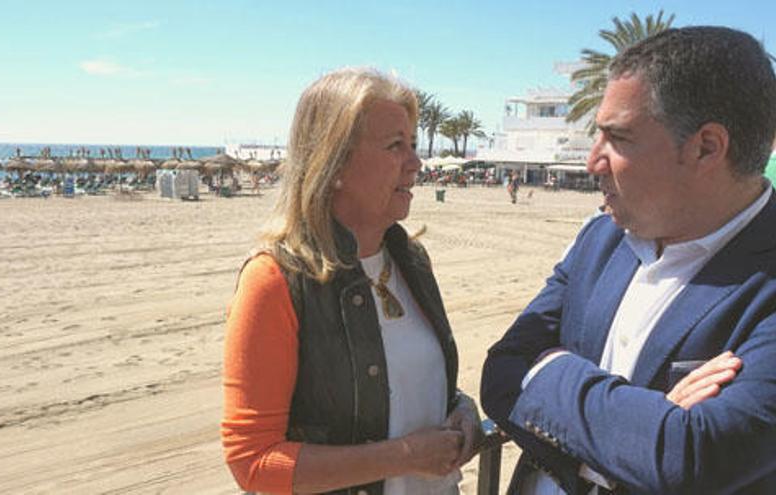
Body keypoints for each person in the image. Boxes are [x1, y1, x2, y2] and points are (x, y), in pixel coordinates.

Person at [480, 26, 776, 494]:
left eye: (617, 138)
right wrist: (645, 424)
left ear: (706, 147)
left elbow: (694, 459)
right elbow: (501, 374)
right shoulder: (601, 239)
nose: (592, 161)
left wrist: (550, 369)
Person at [222, 67, 482, 495]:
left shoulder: (410, 261)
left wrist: (461, 413)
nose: (416, 163)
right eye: (395, 146)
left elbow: (407, 388)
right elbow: (253, 462)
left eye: (413, 144)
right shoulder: (275, 281)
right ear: (334, 162)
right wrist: (405, 457)